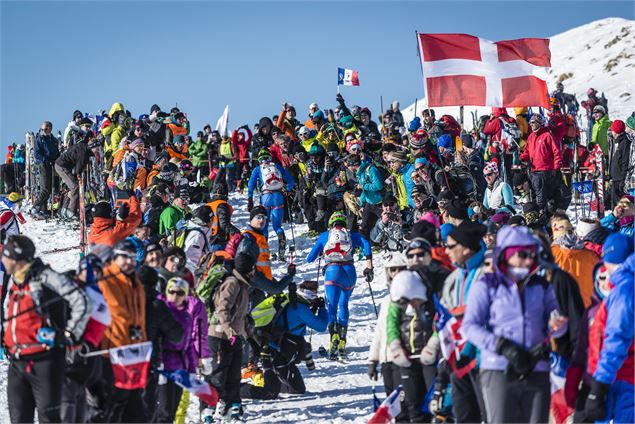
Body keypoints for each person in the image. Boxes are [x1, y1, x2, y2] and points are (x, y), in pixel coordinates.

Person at [462, 225, 568, 423]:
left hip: (536, 365)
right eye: (522, 254)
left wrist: (558, 326)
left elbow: (556, 319)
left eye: (532, 254)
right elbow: (470, 326)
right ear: (506, 254)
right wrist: (501, 346)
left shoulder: (541, 285)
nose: (528, 260)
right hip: (499, 368)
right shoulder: (486, 285)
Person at [2, 235, 91, 423]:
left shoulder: (45, 276)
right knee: (18, 419)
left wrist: (69, 334)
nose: (2, 259)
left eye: (5, 256)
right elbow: (8, 309)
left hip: (44, 360)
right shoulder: (13, 279)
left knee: (48, 418)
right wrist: (5, 334)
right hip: (17, 361)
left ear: (16, 259)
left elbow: (81, 300)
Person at [241, 280, 328, 400]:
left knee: (298, 390)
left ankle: (271, 382)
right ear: (310, 297)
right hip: (273, 353)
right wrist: (322, 309)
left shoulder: (292, 301)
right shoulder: (301, 308)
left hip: (284, 352)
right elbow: (321, 326)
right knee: (270, 393)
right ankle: (234, 390)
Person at [305, 211, 373, 360]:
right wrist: (369, 266)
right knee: (344, 304)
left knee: (332, 305)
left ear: (331, 224)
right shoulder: (351, 235)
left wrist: (320, 254)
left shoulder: (325, 236)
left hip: (332, 271)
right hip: (349, 272)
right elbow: (366, 243)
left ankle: (333, 337)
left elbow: (310, 258)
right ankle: (343, 340)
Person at [438, 221, 487, 423]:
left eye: (450, 246)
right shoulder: (453, 279)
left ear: (465, 249)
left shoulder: (488, 275)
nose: (446, 251)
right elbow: (443, 322)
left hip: (484, 362)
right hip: (458, 361)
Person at [206, 239, 259, 422]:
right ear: (248, 269)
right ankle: (208, 410)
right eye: (253, 268)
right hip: (220, 335)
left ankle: (232, 409)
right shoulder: (232, 283)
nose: (255, 271)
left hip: (234, 337)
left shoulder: (243, 285)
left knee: (234, 375)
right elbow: (223, 309)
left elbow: (241, 317)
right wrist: (229, 332)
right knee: (219, 375)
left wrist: (251, 338)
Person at [97, 239, 147, 423]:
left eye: (132, 258)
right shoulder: (104, 280)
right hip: (109, 355)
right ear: (114, 257)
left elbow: (140, 321)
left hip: (133, 356)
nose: (129, 262)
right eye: (124, 257)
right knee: (112, 409)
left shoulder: (136, 283)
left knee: (135, 412)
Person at [585, 251, 634, 424]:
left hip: (621, 381)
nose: (606, 282)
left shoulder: (624, 291)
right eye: (601, 277)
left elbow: (615, 341)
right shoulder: (598, 307)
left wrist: (599, 386)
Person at [386, 270, 430, 423]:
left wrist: (433, 345)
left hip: (427, 357)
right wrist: (395, 346)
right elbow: (390, 324)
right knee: (411, 404)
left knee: (431, 403)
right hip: (406, 357)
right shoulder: (397, 299)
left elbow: (440, 322)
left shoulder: (427, 300)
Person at [368, 252, 408, 400]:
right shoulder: (387, 300)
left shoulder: (412, 297)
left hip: (403, 360)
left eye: (401, 269)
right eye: (393, 270)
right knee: (393, 406)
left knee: (404, 406)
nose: (397, 273)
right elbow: (380, 332)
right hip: (386, 361)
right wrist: (373, 359)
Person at [247, 149, 295, 257]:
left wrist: (249, 198)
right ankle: (281, 238)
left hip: (265, 197)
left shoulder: (257, 169)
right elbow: (291, 181)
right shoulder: (277, 167)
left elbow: (250, 185)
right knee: (277, 225)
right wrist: (287, 190)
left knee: (264, 226)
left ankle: (264, 249)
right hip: (278, 197)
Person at [520, 113, 568, 213]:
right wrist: (522, 158)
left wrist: (556, 167)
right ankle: (542, 216)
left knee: (545, 198)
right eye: (530, 123)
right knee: (537, 197)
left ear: (540, 123)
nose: (531, 124)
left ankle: (544, 216)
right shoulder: (531, 137)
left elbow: (557, 152)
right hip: (534, 172)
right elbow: (527, 151)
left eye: (534, 122)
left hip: (546, 171)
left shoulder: (547, 135)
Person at [55, 134, 102, 219]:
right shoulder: (84, 154)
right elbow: (78, 169)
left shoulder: (85, 147)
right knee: (75, 187)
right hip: (61, 166)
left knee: (73, 187)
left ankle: (65, 209)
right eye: (97, 149)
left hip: (64, 166)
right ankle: (71, 211)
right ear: (92, 147)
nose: (97, 151)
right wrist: (78, 176)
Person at [32, 121, 60, 218]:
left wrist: (58, 159)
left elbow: (56, 152)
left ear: (50, 128)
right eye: (43, 129)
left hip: (52, 164)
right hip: (43, 164)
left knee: (49, 188)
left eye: (46, 128)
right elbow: (37, 153)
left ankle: (43, 209)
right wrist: (45, 160)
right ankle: (35, 207)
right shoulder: (40, 139)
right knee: (45, 188)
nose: (44, 130)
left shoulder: (53, 140)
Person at [608, 120, 632, 203]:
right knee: (615, 204)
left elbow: (625, 161)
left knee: (619, 205)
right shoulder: (619, 142)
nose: (612, 132)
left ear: (616, 131)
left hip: (619, 179)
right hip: (616, 178)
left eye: (613, 130)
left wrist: (622, 179)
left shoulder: (624, 143)